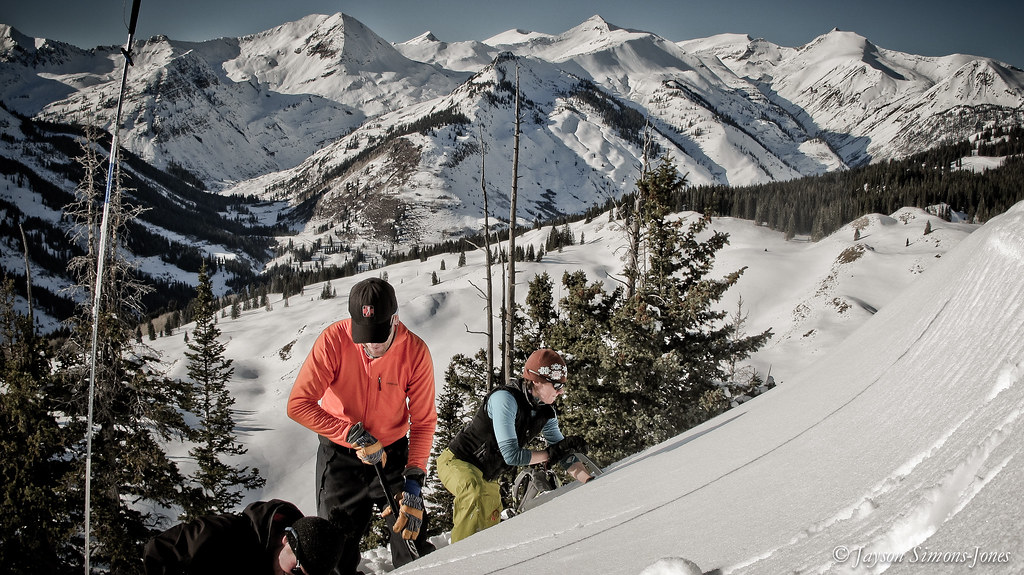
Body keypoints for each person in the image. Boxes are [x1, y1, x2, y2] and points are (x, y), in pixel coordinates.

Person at [287, 277, 437, 574]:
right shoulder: (334, 340)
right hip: (340, 457)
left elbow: (423, 421)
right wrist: (348, 433)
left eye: (379, 335)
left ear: (395, 319)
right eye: (364, 335)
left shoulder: (415, 352)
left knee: (411, 534)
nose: (371, 344)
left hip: (391, 455)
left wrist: (414, 480)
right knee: (334, 553)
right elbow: (298, 404)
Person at [437, 348, 594, 543]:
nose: (561, 391)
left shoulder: (547, 412)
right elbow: (511, 455)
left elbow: (561, 453)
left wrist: (590, 481)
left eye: (562, 385)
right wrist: (549, 453)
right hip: (457, 462)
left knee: (489, 531)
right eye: (556, 385)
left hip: (488, 476)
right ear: (536, 381)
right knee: (472, 492)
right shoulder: (505, 399)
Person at [143, 499, 345, 575]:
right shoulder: (222, 534)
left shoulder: (309, 562)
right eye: (297, 570)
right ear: (286, 541)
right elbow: (158, 550)